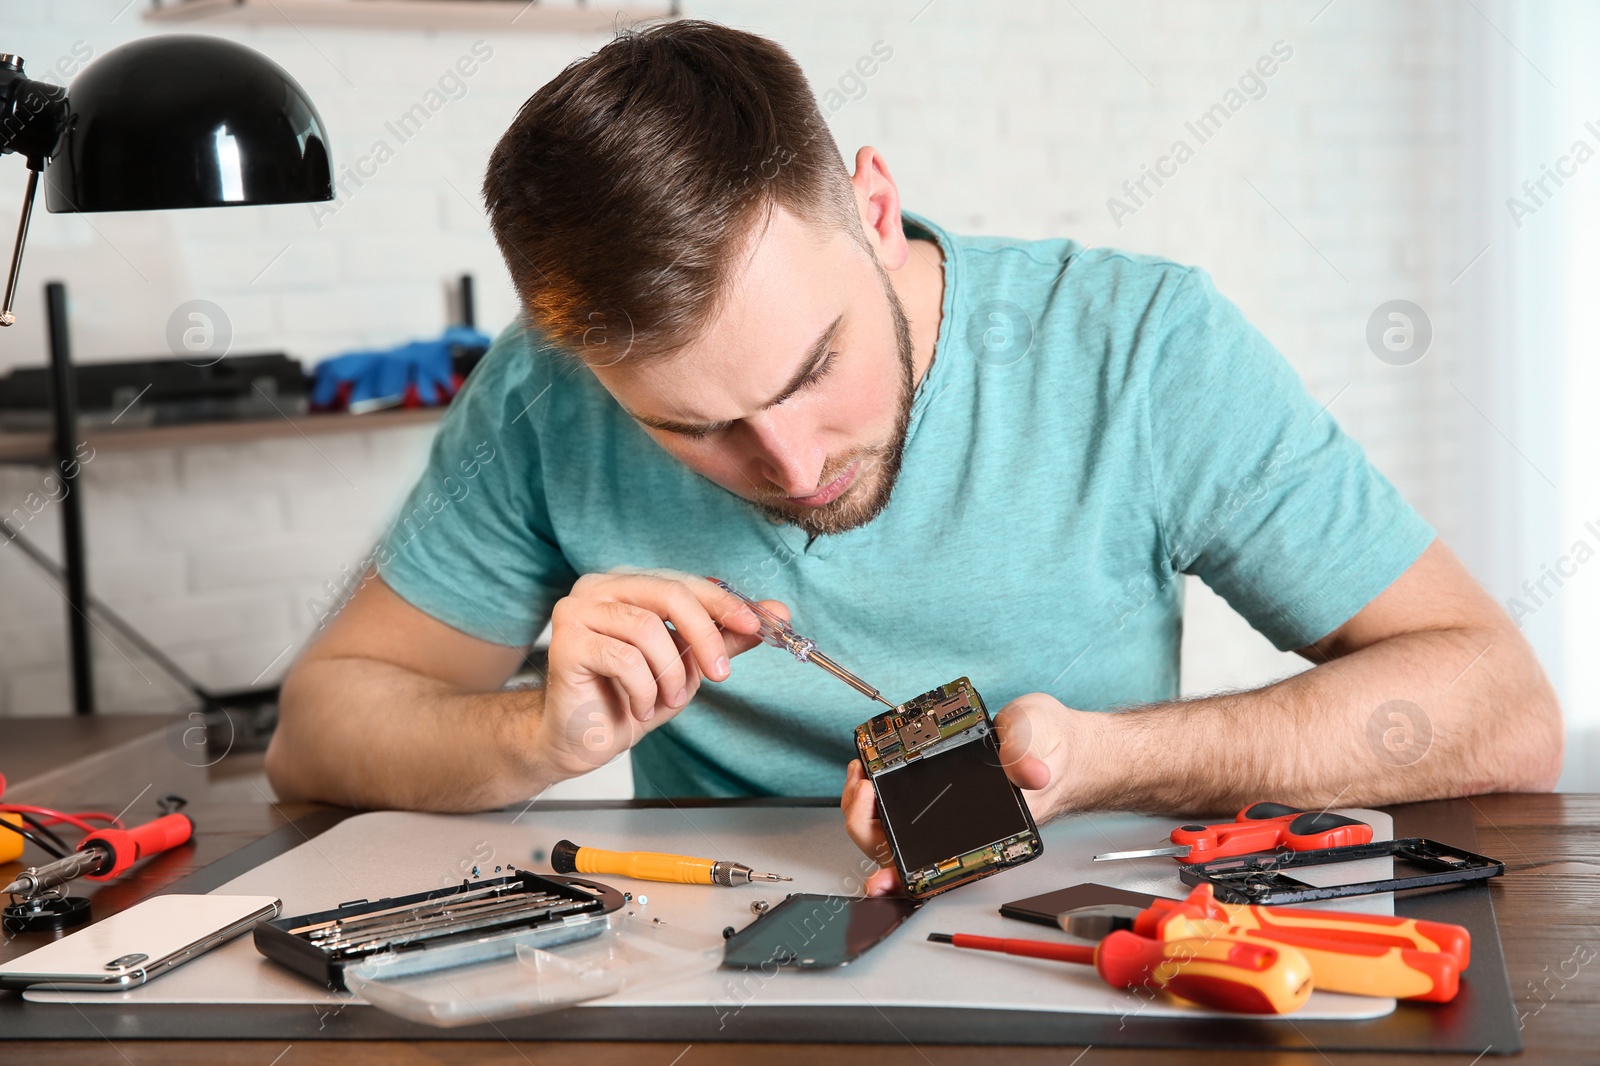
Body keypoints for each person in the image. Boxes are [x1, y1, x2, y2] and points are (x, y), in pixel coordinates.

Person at [266, 20, 1562, 895]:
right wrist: (538, 734)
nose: (787, 463)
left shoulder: (1142, 346)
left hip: (1083, 944)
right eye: (692, 426)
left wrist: (1107, 759)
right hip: (715, 969)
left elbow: (1501, 707)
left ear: (875, 209)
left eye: (814, 368)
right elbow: (316, 733)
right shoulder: (545, 390)